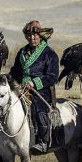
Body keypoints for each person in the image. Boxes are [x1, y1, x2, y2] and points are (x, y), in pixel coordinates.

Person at [9, 20, 59, 154]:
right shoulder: (22, 52)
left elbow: (52, 76)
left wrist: (34, 83)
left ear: (40, 36)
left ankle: (43, 141)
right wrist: (7, 78)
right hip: (21, 87)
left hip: (41, 90)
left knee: (38, 109)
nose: (32, 38)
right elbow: (16, 71)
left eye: (35, 35)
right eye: (29, 36)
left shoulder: (50, 54)